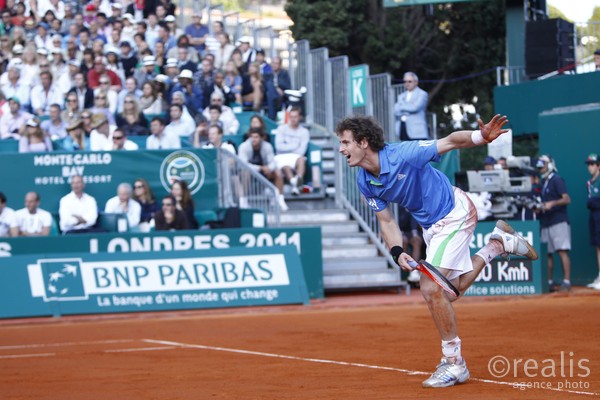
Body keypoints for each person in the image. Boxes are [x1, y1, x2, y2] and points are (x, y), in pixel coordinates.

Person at [336, 114, 538, 388]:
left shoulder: (403, 154)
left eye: (346, 142)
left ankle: (454, 363)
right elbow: (386, 221)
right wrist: (397, 251)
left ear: (363, 142)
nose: (341, 149)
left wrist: (481, 137)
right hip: (431, 228)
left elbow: (450, 141)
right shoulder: (365, 182)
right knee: (449, 293)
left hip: (455, 212)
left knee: (431, 288)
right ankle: (497, 245)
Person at [535, 155, 572, 292]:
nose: (540, 169)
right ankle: (548, 282)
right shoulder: (543, 182)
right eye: (539, 167)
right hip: (546, 221)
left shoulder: (557, 179)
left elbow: (567, 199)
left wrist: (552, 203)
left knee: (562, 251)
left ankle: (567, 282)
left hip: (558, 220)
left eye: (543, 166)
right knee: (547, 253)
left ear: (549, 165)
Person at [238, 128, 288, 211]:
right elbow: (243, 164)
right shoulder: (243, 147)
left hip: (265, 173)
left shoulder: (267, 146)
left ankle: (280, 200)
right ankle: (243, 200)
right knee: (245, 172)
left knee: (277, 172)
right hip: (249, 173)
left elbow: (273, 162)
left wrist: (268, 168)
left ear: (262, 138)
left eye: (256, 137)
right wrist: (260, 168)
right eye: (252, 137)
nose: (254, 139)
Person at [274, 107, 310, 195]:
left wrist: (287, 147)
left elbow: (302, 150)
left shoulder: (304, 132)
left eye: (295, 117)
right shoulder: (281, 128)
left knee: (301, 159)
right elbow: (278, 146)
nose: (293, 119)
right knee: (286, 166)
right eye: (291, 117)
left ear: (300, 117)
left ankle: (295, 184)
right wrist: (294, 146)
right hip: (281, 156)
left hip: (296, 156)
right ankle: (296, 185)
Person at [394, 72, 429, 141]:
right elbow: (395, 110)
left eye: (409, 81)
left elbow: (415, 108)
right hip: (402, 129)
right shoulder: (401, 96)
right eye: (405, 81)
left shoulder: (422, 94)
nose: (407, 83)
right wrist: (408, 108)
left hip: (417, 132)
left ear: (416, 82)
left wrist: (402, 108)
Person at [585, 153, 600, 290]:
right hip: (594, 217)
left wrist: (594, 202)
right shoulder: (590, 182)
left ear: (598, 166)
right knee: (598, 246)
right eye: (588, 164)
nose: (590, 167)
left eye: (592, 164)